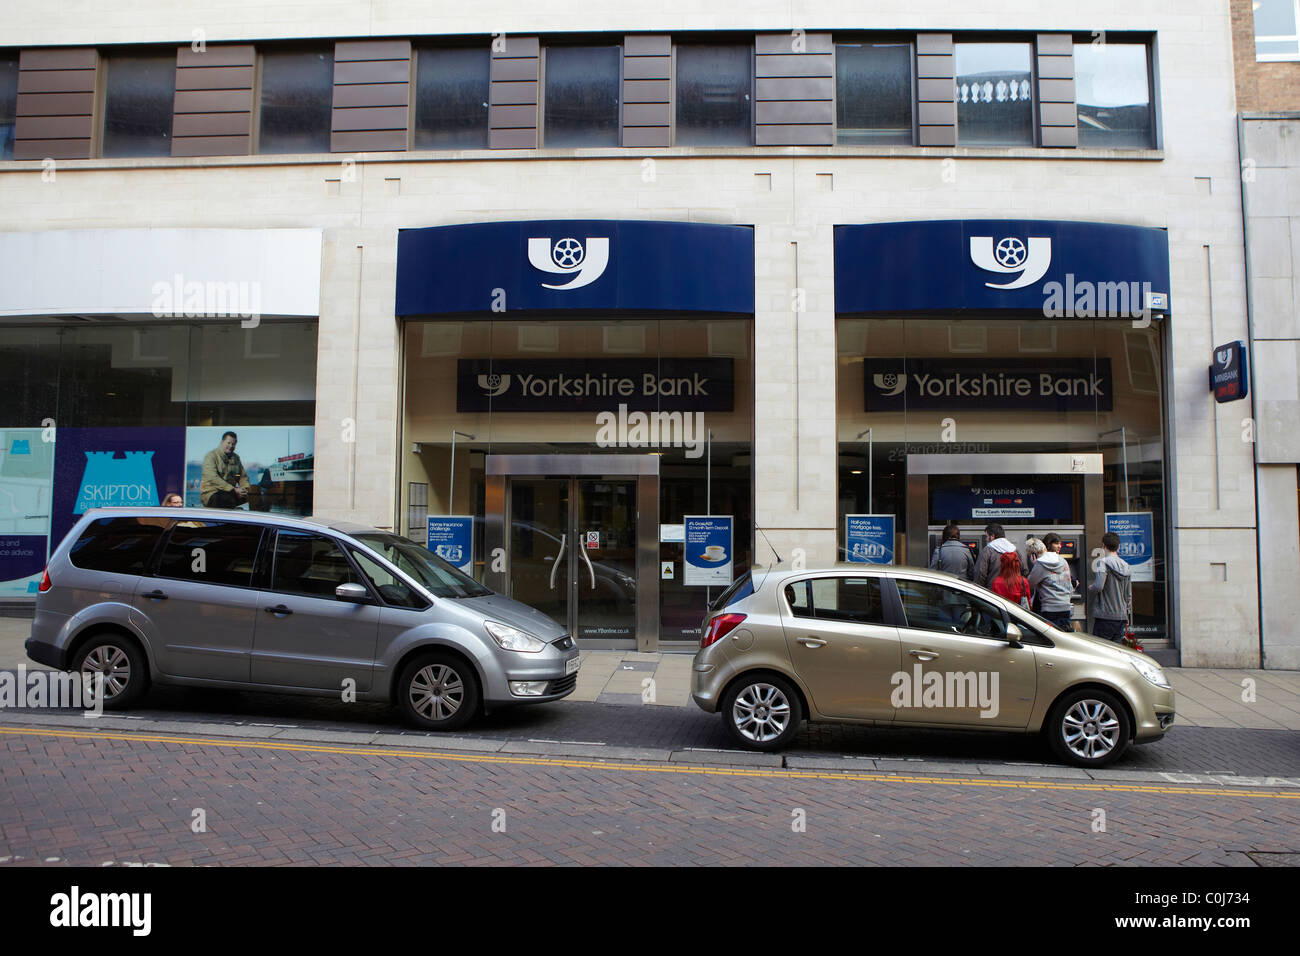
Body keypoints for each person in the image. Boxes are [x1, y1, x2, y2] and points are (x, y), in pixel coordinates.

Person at [1089, 531, 1133, 643]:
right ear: (1118, 547)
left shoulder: (1103, 563)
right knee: (1115, 653)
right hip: (1121, 617)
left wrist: (1091, 587)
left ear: (1103, 545)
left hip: (1105, 616)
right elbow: (1128, 594)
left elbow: (1099, 586)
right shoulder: (1126, 565)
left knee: (1101, 651)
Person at [1028, 532, 1076, 631]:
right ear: (1048, 544)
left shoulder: (1041, 563)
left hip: (1049, 608)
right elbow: (1069, 585)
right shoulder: (1063, 561)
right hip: (1065, 607)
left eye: (1060, 544)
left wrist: (1035, 565)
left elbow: (1030, 584)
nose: (1059, 546)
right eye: (1056, 543)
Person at [201, 431, 252, 508]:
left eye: (233, 444)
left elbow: (242, 476)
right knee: (227, 499)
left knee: (254, 498)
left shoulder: (236, 458)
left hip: (231, 493)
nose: (231, 446)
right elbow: (212, 478)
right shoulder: (211, 456)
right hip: (212, 493)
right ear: (222, 442)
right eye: (228, 443)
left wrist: (245, 489)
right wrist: (233, 489)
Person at [974, 523, 1018, 589]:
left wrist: (979, 590)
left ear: (992, 536)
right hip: (1012, 590)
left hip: (993, 592)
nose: (986, 539)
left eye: (987, 536)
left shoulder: (987, 550)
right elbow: (1024, 571)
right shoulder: (1014, 550)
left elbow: (980, 573)